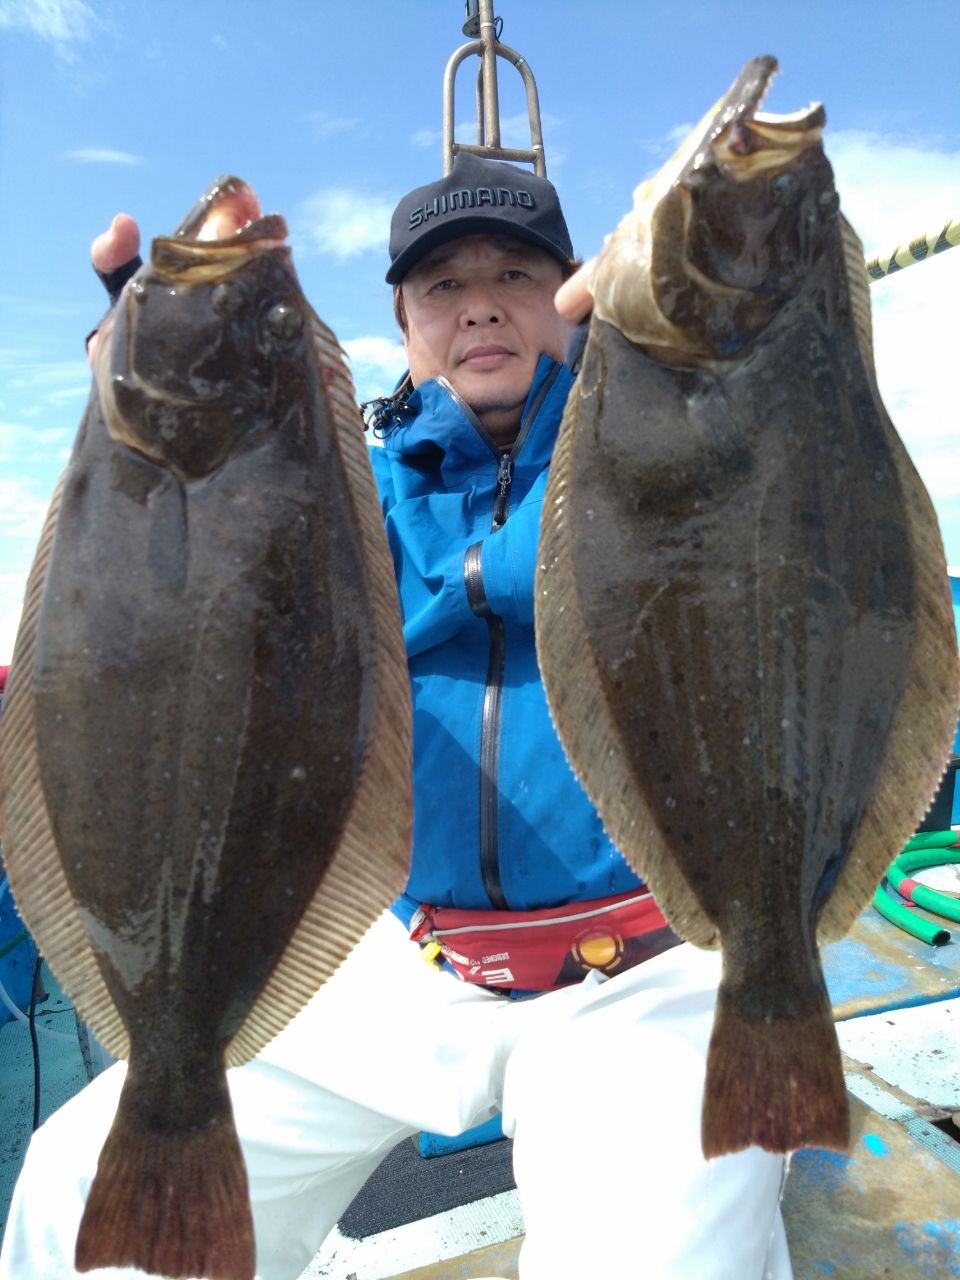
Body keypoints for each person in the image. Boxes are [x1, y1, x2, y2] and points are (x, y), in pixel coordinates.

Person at [0, 155, 793, 1280]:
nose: (478, 302)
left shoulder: (658, 437)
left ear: (575, 288)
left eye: (516, 272)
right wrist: (160, 427)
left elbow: (770, 501)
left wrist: (693, 328)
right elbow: (194, 601)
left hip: (646, 972)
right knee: (79, 1193)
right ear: (404, 319)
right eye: (440, 285)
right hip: (402, 961)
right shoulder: (331, 479)